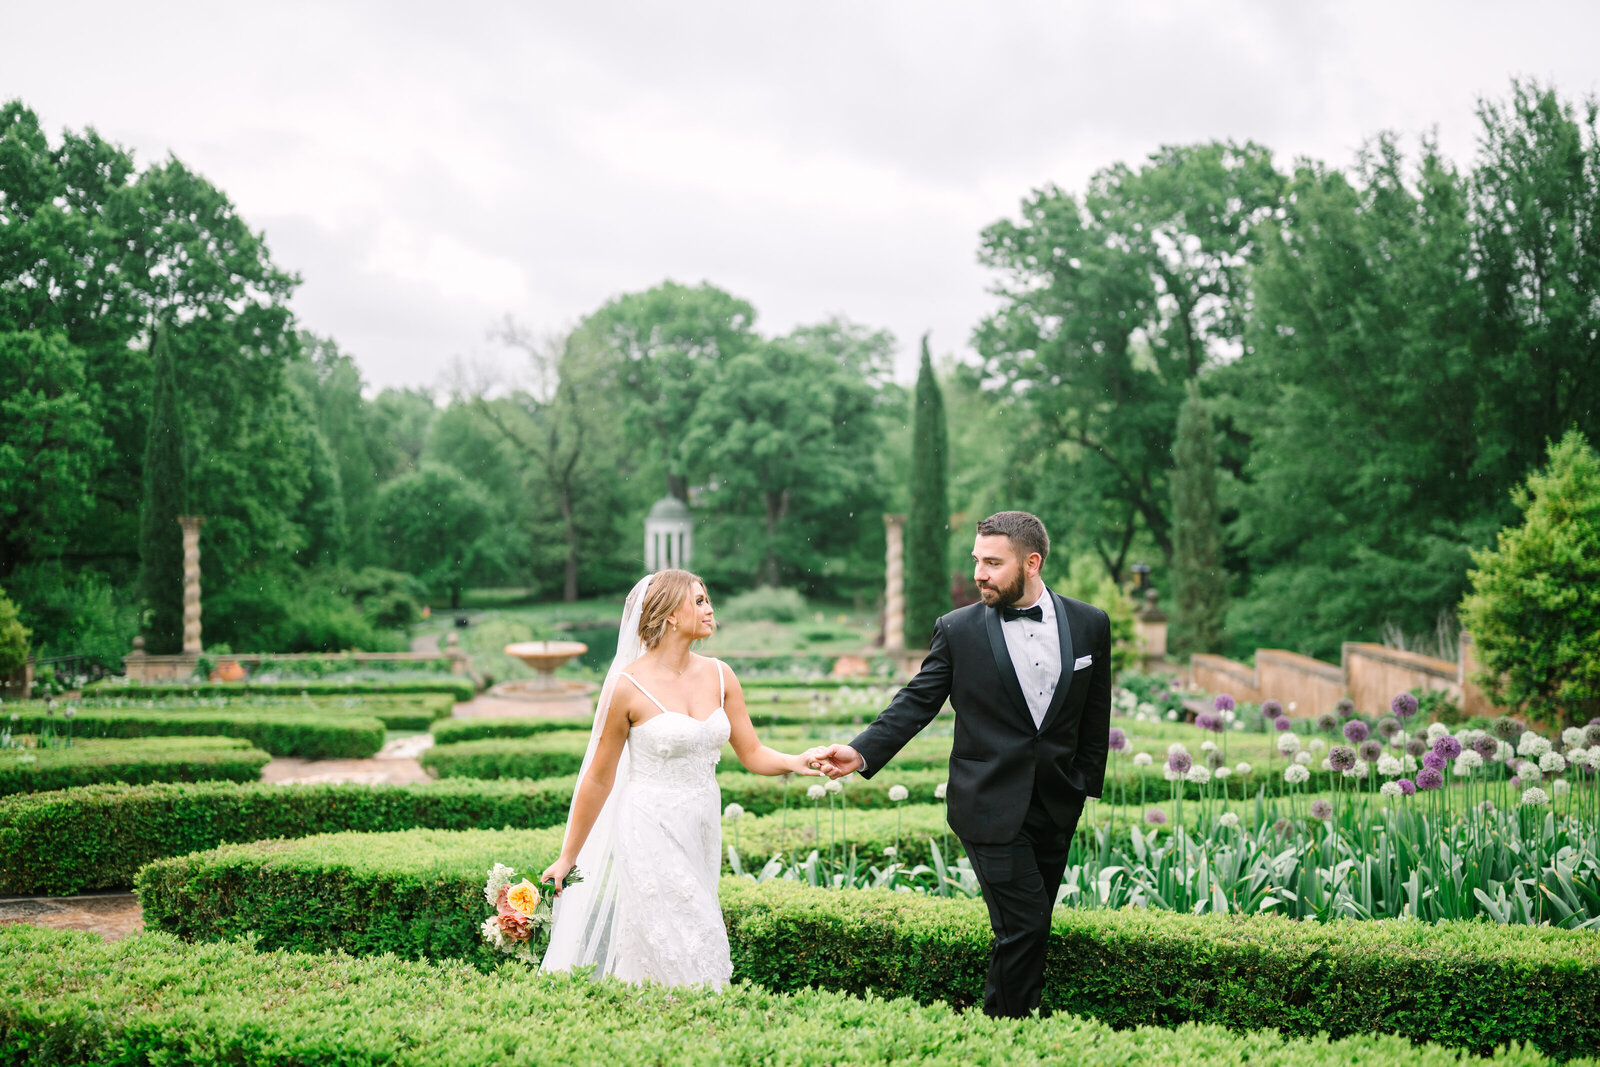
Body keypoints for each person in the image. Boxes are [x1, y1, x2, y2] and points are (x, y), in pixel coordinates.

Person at [812, 511, 1112, 1019]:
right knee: (1027, 924)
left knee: (1026, 925)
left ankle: (1003, 1026)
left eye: (993, 563)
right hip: (987, 804)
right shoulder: (958, 630)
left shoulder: (1090, 623)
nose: (979, 573)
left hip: (1057, 803)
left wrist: (1083, 784)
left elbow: (1095, 710)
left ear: (1032, 562)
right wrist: (861, 751)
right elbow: (917, 702)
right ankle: (1011, 1031)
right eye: (977, 560)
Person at [539, 569, 825, 987]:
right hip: (647, 826)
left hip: (703, 826)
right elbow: (599, 779)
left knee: (688, 932)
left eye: (708, 600)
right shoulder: (626, 686)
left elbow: (753, 753)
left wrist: (797, 760)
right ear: (671, 614)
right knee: (690, 938)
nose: (710, 610)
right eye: (699, 601)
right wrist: (568, 857)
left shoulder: (721, 676)